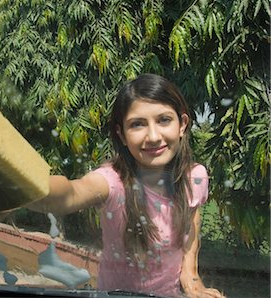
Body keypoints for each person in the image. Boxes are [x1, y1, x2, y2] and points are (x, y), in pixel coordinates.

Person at [27, 74, 225, 298]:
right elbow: (70, 194)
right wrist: (14, 186)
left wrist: (191, 275)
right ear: (121, 134)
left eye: (164, 120)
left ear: (182, 125)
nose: (153, 136)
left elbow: (192, 217)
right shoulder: (112, 182)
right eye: (137, 124)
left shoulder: (194, 176)